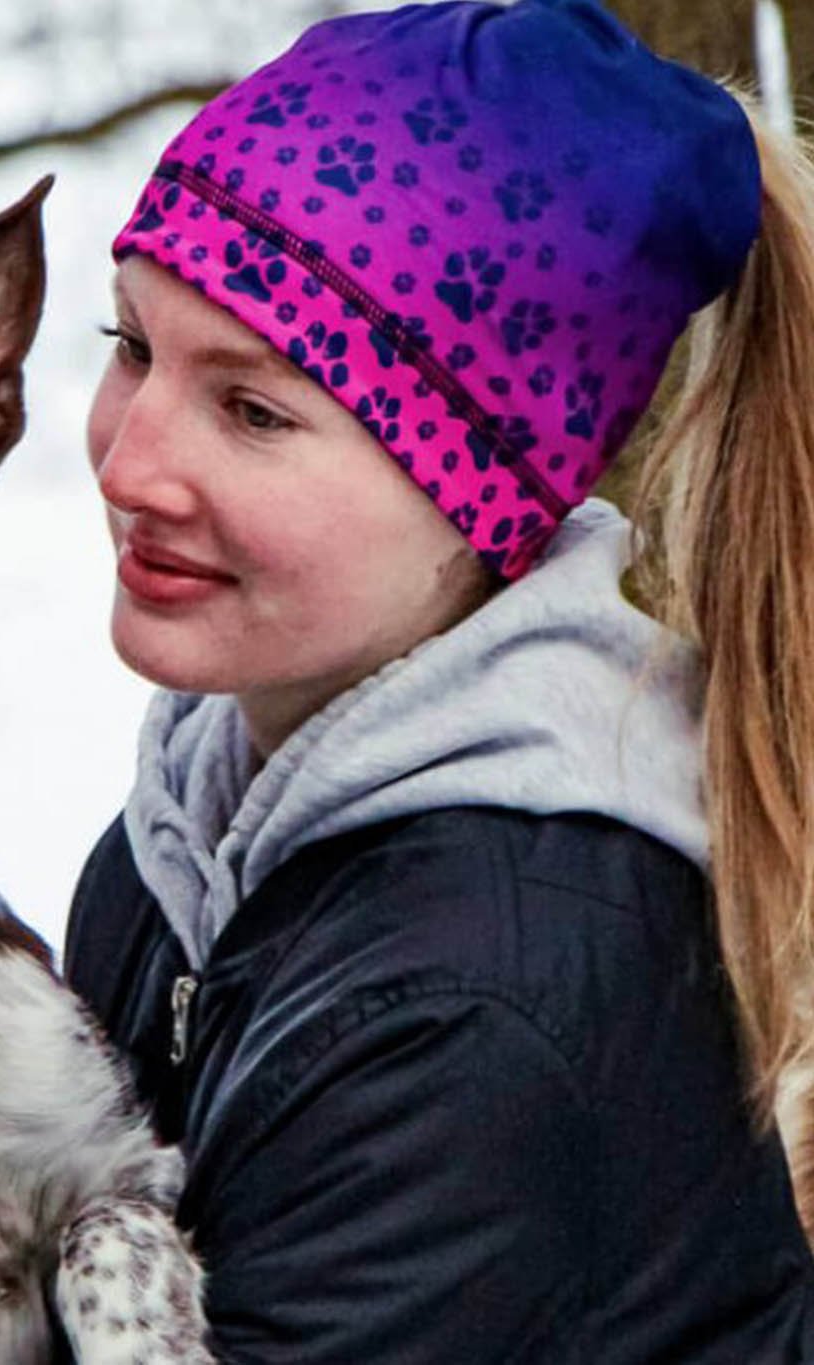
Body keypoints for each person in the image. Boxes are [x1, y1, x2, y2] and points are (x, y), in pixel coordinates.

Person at [61, 0, 814, 1357]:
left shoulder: (478, 998)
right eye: (132, 347)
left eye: (252, 408)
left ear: (480, 489)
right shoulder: (185, 831)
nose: (125, 463)